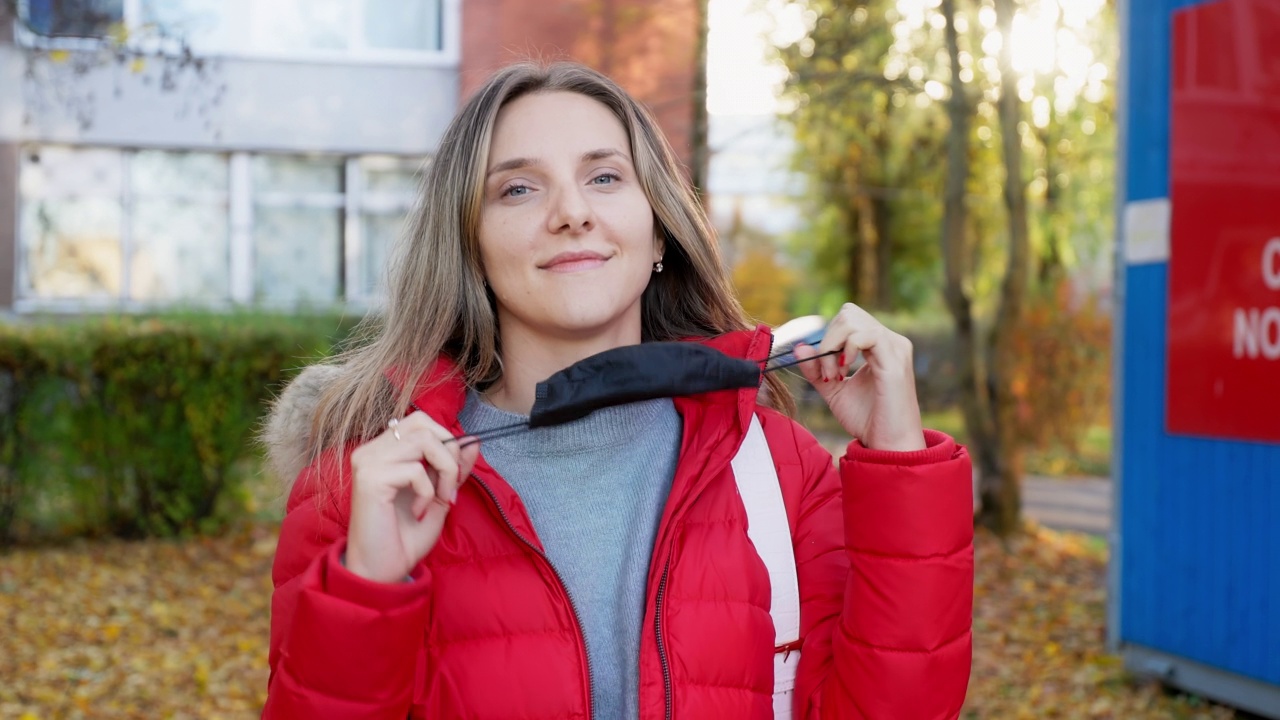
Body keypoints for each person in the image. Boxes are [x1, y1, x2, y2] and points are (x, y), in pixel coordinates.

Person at [261, 61, 974, 719]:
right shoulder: (367, 496)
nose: (572, 212)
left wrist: (899, 463)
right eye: (518, 187)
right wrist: (368, 590)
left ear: (658, 230)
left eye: (604, 177)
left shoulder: (779, 472)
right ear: (469, 246)